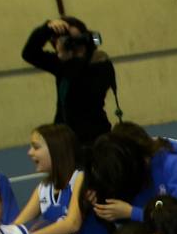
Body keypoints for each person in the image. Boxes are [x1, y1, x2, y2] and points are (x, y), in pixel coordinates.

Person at [21, 17, 117, 147]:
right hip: (64, 137)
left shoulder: (100, 62)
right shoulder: (62, 63)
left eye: (77, 39)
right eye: (68, 40)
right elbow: (29, 53)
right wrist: (47, 29)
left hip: (94, 137)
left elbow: (87, 91)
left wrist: (69, 58)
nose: (73, 44)